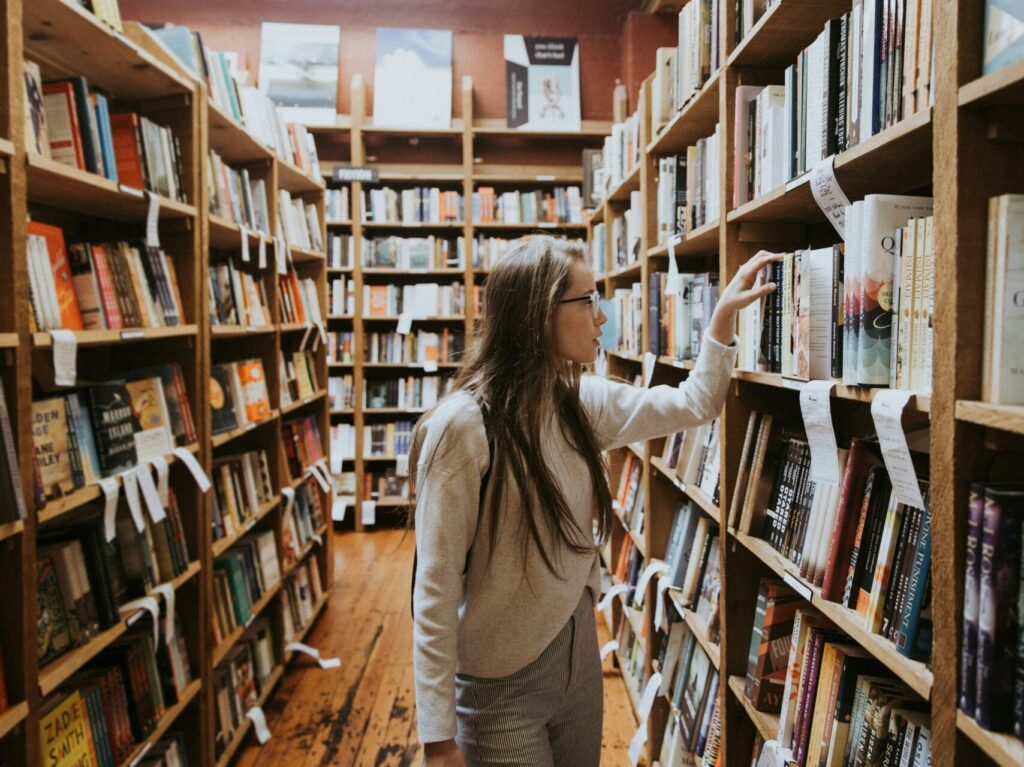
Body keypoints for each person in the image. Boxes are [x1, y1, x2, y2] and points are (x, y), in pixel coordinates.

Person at [410, 236, 780, 767]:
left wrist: (719, 324)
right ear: (540, 315)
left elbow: (694, 403)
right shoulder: (463, 429)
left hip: (577, 655)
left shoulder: (581, 401)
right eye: (587, 301)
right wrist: (437, 738)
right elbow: (435, 587)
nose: (602, 316)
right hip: (498, 684)